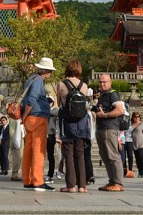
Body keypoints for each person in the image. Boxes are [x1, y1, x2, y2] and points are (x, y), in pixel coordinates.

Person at [21, 57, 55, 192]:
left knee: (28, 149)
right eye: (50, 71)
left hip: (30, 118)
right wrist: (25, 114)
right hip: (37, 117)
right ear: (45, 71)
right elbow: (32, 99)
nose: (50, 74)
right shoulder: (39, 80)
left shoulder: (30, 79)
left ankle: (27, 180)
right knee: (39, 150)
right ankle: (38, 181)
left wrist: (25, 116)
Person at [56, 60, 89, 193]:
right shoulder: (84, 85)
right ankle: (82, 185)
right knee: (80, 153)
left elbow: (59, 104)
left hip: (67, 122)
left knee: (68, 153)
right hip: (81, 122)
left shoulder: (61, 84)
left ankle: (70, 185)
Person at [94, 73, 126, 192]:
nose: (102, 84)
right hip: (101, 128)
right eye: (100, 82)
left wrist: (105, 115)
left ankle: (118, 183)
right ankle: (112, 181)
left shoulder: (113, 94)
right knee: (105, 156)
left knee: (113, 156)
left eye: (104, 82)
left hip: (109, 128)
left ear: (110, 82)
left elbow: (120, 110)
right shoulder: (103, 95)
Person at [44, 98, 59, 183]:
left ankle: (50, 174)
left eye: (49, 103)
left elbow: (52, 113)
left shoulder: (55, 110)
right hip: (43, 134)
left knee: (50, 155)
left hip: (51, 134)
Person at [131, 112, 143, 177]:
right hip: (133, 144)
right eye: (135, 117)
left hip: (141, 144)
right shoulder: (131, 124)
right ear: (133, 117)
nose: (137, 118)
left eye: (138, 117)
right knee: (137, 158)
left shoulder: (142, 124)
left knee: (141, 157)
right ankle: (140, 171)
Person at [8, 117, 24, 181]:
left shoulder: (23, 120)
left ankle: (18, 173)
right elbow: (11, 132)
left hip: (22, 141)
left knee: (21, 158)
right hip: (16, 141)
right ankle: (14, 174)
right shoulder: (13, 120)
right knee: (17, 158)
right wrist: (14, 141)